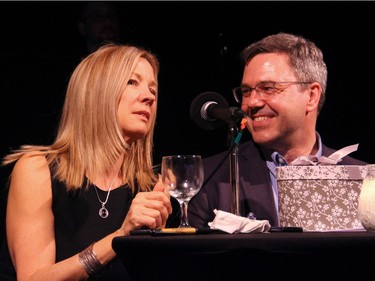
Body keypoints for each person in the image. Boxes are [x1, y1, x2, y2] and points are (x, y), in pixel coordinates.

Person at [0, 44, 179, 281]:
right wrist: (121, 237)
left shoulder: (151, 188)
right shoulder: (38, 170)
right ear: (97, 92)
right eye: (132, 82)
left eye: (153, 89)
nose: (149, 97)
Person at [188, 32, 367, 228]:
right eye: (246, 91)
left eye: (268, 88)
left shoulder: (365, 181)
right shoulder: (207, 179)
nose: (252, 102)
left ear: (311, 96)